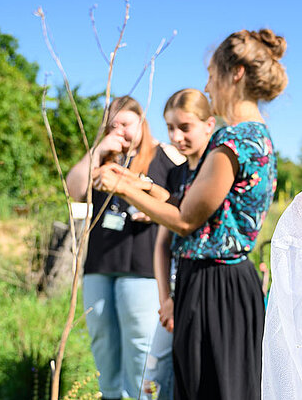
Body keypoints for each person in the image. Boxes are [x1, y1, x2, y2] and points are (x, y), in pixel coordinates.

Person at [91, 29, 286, 400]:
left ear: (236, 73)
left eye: (212, 74)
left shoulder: (234, 141)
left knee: (210, 388)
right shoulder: (254, 135)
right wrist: (139, 185)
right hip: (224, 282)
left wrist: (123, 188)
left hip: (217, 285)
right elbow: (195, 207)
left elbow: (185, 220)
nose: (208, 86)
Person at [64, 95, 183, 400]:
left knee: (141, 341)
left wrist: (151, 205)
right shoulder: (105, 159)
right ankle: (111, 394)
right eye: (112, 125)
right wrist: (98, 150)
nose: (120, 131)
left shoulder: (162, 156)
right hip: (100, 264)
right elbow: (73, 190)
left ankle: (143, 396)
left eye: (126, 124)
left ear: (142, 121)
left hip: (142, 265)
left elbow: (178, 201)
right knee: (102, 338)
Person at [142, 88, 217, 400]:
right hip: (177, 285)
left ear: (208, 125)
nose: (176, 136)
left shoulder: (215, 169)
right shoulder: (174, 174)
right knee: (153, 369)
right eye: (170, 128)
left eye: (184, 128)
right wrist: (166, 299)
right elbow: (163, 241)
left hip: (209, 282)